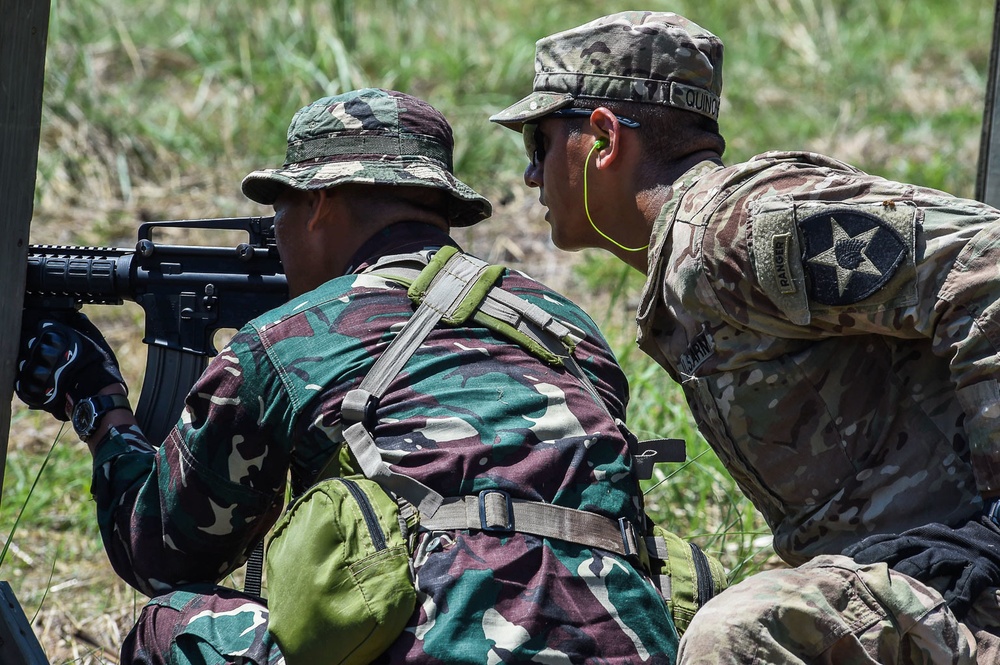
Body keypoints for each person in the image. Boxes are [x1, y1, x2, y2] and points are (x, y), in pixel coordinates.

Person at [15, 88, 680, 663]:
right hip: (633, 641)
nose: (275, 232)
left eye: (281, 206)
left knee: (172, 626)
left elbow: (160, 548)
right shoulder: (566, 327)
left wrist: (98, 405)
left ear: (321, 203)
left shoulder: (287, 340)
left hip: (444, 645)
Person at [490, 10, 1000, 664]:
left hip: (966, 578)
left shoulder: (733, 228)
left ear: (602, 138)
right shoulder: (686, 268)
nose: (531, 176)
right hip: (922, 574)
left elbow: (985, 257)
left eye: (537, 143)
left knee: (733, 633)